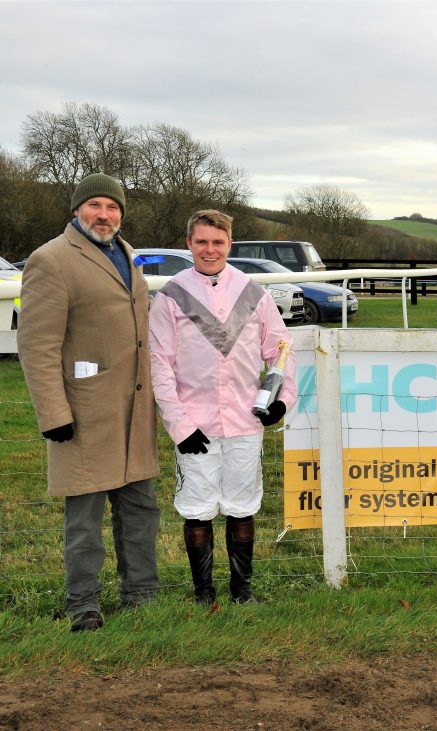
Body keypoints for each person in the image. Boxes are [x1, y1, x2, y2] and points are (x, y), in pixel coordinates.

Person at [17, 173, 160, 633]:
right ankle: (84, 605)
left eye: (112, 207)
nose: (104, 214)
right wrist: (54, 415)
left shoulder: (126, 253)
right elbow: (37, 345)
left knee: (140, 510)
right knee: (85, 519)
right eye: (95, 205)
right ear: (77, 209)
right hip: (83, 412)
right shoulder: (51, 260)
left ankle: (142, 596)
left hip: (134, 410)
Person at [149, 209, 296, 605]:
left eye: (217, 242)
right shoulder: (170, 295)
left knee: (242, 506)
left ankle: (241, 592)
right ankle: (203, 593)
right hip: (195, 424)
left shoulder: (253, 292)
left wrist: (281, 402)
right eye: (201, 242)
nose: (209, 249)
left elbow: (280, 352)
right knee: (198, 511)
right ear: (188, 244)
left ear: (230, 244)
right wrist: (179, 425)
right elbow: (159, 365)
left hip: (245, 421)